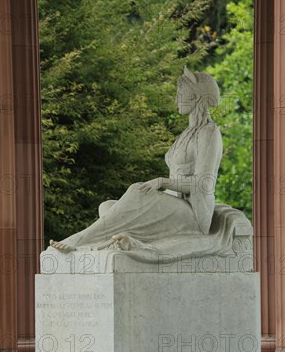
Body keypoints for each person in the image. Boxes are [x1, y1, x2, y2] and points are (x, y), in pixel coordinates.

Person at [49, 67, 223, 254]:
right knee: (107, 206)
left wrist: (162, 182)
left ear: (197, 97)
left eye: (181, 94)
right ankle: (122, 244)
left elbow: (203, 183)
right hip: (174, 206)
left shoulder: (208, 132)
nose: (176, 100)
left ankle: (78, 241)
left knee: (137, 191)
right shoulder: (187, 133)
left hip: (193, 214)